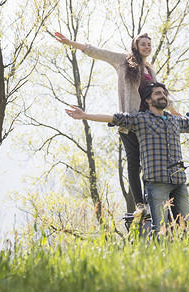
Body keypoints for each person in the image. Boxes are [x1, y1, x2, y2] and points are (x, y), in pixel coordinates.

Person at [65, 82, 189, 234]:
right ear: (148, 100)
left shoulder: (175, 120)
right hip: (157, 183)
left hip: (179, 183)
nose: (163, 96)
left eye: (164, 93)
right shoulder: (141, 120)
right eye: (158, 93)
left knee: (184, 228)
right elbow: (113, 117)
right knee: (160, 230)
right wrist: (85, 115)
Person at [55, 32, 181, 217]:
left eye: (149, 44)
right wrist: (70, 42)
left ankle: (153, 199)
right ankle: (140, 204)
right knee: (133, 162)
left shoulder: (150, 70)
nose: (146, 47)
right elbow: (96, 51)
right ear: (135, 46)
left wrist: (174, 112)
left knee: (151, 162)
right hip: (130, 121)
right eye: (143, 44)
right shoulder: (124, 61)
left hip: (149, 122)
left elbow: (159, 95)